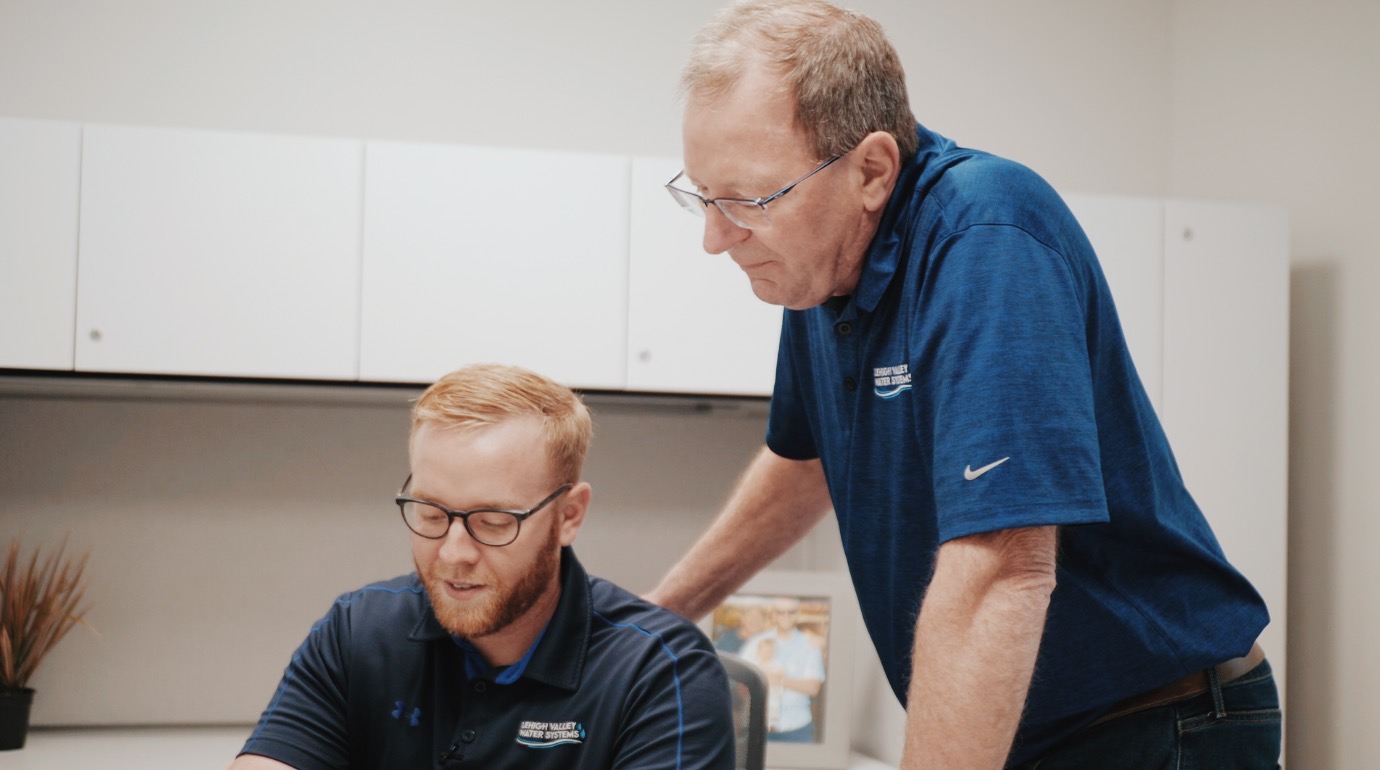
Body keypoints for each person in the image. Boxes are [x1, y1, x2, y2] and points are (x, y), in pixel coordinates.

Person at [648, 1, 1282, 768]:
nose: (715, 238)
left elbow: (1003, 567)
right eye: (705, 197)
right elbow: (803, 463)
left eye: (749, 201)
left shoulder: (986, 236)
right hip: (1035, 727)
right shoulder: (819, 269)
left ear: (872, 172)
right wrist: (659, 616)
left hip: (1155, 723)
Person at [232, 363, 735, 770]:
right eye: (430, 513)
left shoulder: (661, 671)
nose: (453, 553)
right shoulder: (358, 632)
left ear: (568, 516)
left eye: (493, 522)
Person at [738, 598, 825, 742]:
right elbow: (742, 681)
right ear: (774, 614)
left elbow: (814, 687)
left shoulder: (810, 644)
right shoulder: (756, 643)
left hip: (797, 728)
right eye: (780, 612)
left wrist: (779, 680)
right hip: (759, 726)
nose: (785, 616)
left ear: (798, 614)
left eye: (791, 612)